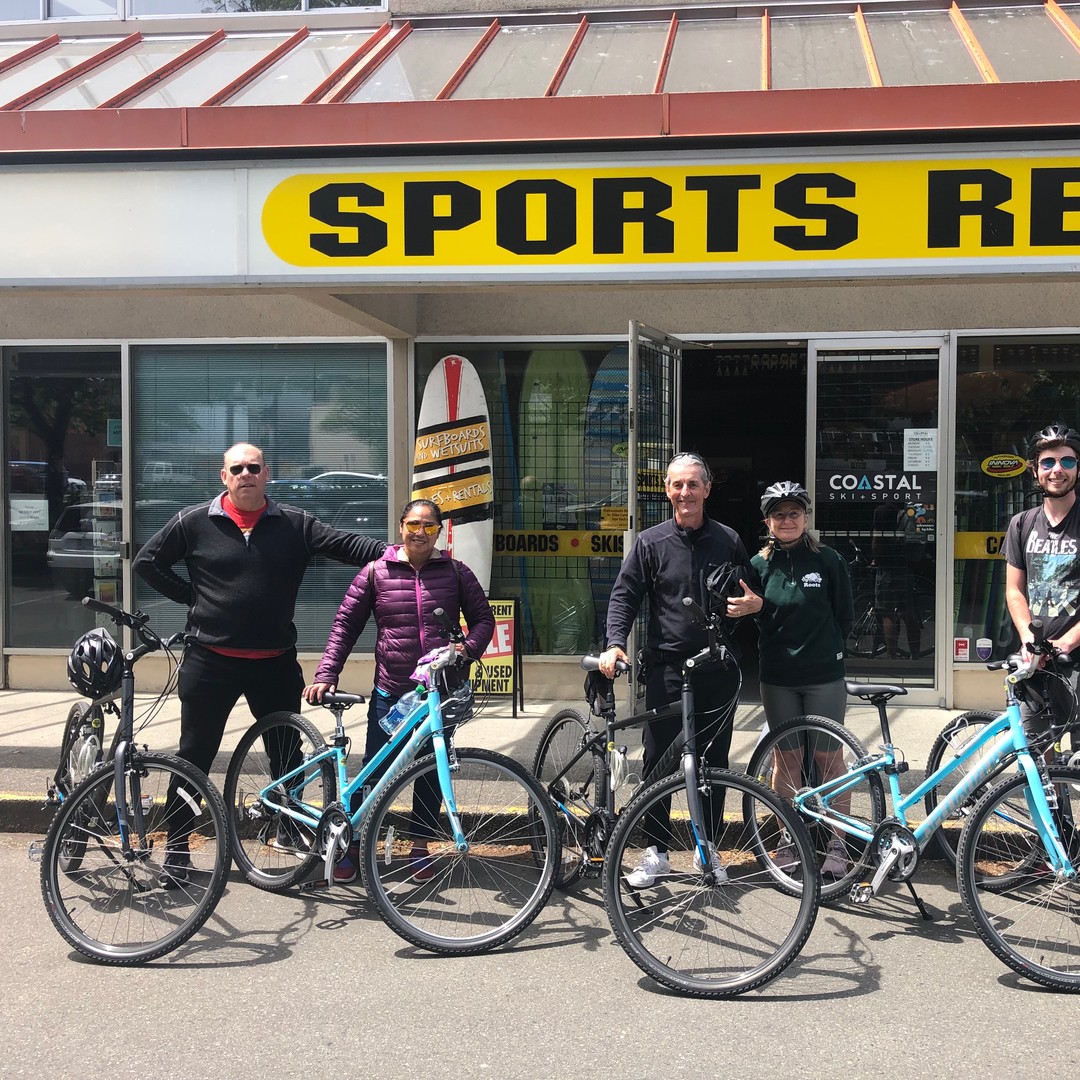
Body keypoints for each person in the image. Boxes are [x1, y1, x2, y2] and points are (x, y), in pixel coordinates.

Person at [133, 442, 388, 886]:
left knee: (286, 757)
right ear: (224, 476)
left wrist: (401, 551)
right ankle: (177, 848)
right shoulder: (194, 522)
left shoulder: (295, 523)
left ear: (266, 473)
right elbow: (146, 563)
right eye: (237, 468)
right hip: (211, 662)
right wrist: (192, 597)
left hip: (274, 664)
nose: (245, 474)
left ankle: (286, 831)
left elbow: (348, 545)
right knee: (194, 758)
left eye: (253, 467)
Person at [304, 498, 495, 883]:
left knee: (431, 770)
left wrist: (466, 649)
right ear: (401, 526)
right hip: (391, 691)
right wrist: (327, 672)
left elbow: (483, 620)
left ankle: (419, 846)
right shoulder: (376, 571)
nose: (420, 532)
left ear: (439, 532)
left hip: (438, 693)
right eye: (413, 524)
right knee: (376, 771)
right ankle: (354, 843)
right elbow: (345, 625)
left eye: (429, 526)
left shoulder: (456, 572)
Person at [598, 451, 763, 886]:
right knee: (659, 762)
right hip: (668, 669)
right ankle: (655, 852)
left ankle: (707, 848)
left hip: (716, 667)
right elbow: (625, 596)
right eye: (677, 484)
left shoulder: (728, 539)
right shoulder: (649, 542)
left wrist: (752, 605)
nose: (684, 492)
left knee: (714, 762)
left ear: (707, 489)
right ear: (667, 490)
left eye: (693, 484)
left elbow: (750, 592)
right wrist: (615, 644)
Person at [751, 480, 854, 878]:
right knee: (787, 758)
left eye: (794, 513)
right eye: (779, 515)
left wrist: (826, 649)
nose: (787, 520)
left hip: (823, 675)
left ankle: (838, 842)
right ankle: (789, 839)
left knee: (829, 758)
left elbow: (844, 615)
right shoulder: (758, 565)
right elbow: (753, 616)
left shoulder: (828, 560)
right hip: (778, 676)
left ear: (805, 517)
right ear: (768, 522)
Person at [1004, 422, 1080, 739]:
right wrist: (1028, 640)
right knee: (1033, 754)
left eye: (1067, 461)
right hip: (1035, 662)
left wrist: (1066, 642)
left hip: (1075, 662)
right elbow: (1014, 590)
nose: (1057, 470)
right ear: (1035, 471)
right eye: (1048, 462)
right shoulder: (1022, 524)